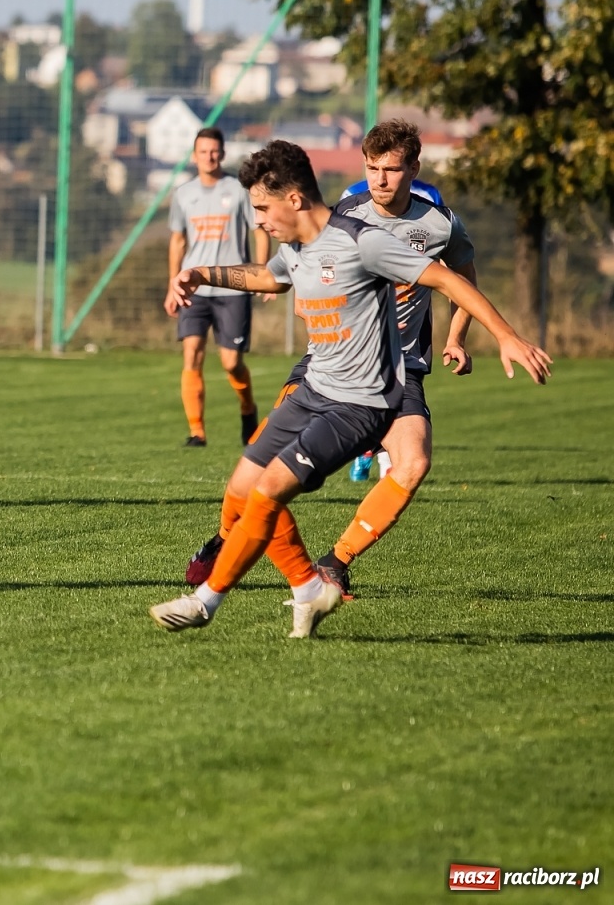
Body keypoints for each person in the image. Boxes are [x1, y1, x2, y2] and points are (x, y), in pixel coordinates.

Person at [150, 141, 550, 639]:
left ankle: (206, 601)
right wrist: (199, 274)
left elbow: (449, 281)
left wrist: (506, 337)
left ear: (294, 199)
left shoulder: (364, 241)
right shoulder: (298, 245)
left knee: (270, 491)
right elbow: (270, 278)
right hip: (314, 386)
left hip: (361, 400)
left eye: (262, 209)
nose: (258, 221)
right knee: (241, 487)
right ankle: (308, 588)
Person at [183, 122, 480, 594]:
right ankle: (225, 538)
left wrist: (457, 337)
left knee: (413, 462)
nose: (380, 179)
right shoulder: (345, 215)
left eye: (391, 169)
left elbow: (461, 280)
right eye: (372, 168)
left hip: (399, 369)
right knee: (261, 463)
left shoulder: (440, 223)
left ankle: (334, 563)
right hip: (328, 365)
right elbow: (296, 270)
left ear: (413, 169)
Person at [166, 127, 269, 447]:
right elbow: (178, 241)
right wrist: (173, 284)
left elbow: (260, 231)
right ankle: (197, 431)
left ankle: (247, 408)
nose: (209, 157)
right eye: (203, 152)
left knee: (231, 363)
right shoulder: (183, 194)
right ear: (194, 156)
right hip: (195, 288)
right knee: (192, 355)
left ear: (222, 154)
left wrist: (261, 274)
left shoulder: (238, 190)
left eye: (214, 151)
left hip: (233, 287)